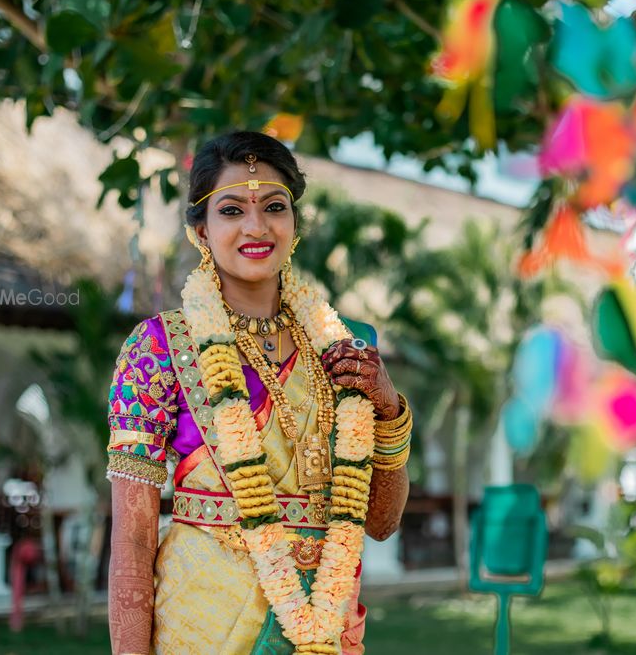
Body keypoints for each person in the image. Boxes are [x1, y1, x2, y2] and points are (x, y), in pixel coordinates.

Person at [106, 131, 412, 655]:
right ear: (199, 230)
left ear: (295, 226)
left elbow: (382, 523)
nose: (256, 226)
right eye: (230, 210)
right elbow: (134, 542)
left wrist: (389, 410)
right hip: (200, 630)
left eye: (274, 206)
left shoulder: (341, 347)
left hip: (325, 630)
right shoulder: (159, 348)